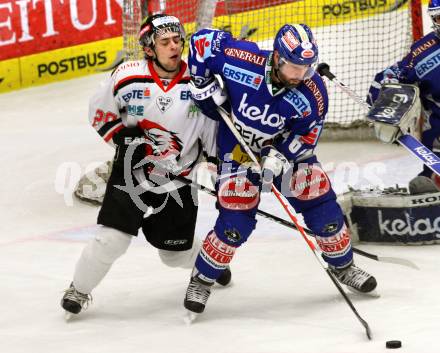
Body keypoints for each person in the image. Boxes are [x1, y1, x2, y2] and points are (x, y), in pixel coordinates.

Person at [183, 23, 378, 314]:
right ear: (277, 57)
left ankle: (344, 266)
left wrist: (282, 156)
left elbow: (308, 137)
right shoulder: (242, 59)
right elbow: (201, 42)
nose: (299, 75)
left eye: (306, 68)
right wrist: (201, 83)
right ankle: (202, 278)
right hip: (238, 151)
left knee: (321, 206)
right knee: (235, 222)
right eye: (293, 67)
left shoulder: (313, 93)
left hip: (285, 154)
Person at [61, 14, 231, 316]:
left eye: (178, 40)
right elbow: (100, 113)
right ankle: (78, 289)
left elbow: (212, 133)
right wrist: (126, 142)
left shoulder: (199, 82)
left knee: (173, 254)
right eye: (165, 42)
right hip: (131, 173)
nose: (174, 47)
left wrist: (219, 169)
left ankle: (210, 261)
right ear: (149, 49)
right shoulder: (127, 76)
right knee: (110, 240)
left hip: (179, 181)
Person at [367, 0, 440, 194]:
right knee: (427, 184)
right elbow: (388, 77)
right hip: (438, 133)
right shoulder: (422, 52)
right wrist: (383, 102)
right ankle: (428, 195)